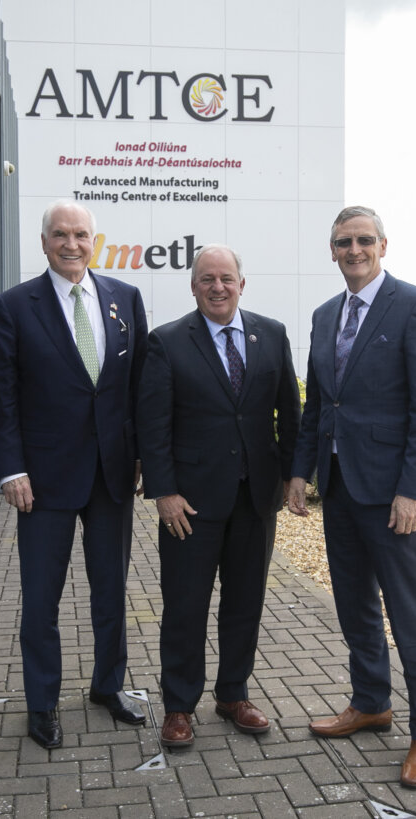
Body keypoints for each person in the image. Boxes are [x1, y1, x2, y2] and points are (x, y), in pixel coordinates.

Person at [287, 206, 416, 788]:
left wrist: (415, 489)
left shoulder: (415, 306)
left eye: (363, 240)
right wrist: (299, 471)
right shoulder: (324, 314)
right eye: (342, 242)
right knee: (354, 604)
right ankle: (371, 702)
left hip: (394, 495)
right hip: (339, 486)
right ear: (331, 250)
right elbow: (319, 403)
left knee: (411, 613)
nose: (353, 250)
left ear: (383, 245)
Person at [0, 200, 148, 749]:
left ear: (93, 241)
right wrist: (10, 469)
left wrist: (144, 455)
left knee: (111, 590)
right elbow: (2, 397)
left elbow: (137, 389)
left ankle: (107, 686)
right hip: (44, 480)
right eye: (61, 234)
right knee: (41, 598)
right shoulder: (13, 306)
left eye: (81, 234)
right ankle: (42, 702)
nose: (71, 244)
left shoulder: (125, 299)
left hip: (112, 475)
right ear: (44, 241)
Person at [138, 244, 300, 748]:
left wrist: (295, 476)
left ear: (241, 284)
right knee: (185, 607)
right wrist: (163, 491)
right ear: (193, 286)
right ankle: (179, 706)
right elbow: (153, 424)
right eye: (206, 279)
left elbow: (290, 415)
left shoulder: (271, 335)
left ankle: (233, 694)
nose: (217, 287)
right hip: (190, 503)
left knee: (244, 604)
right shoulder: (166, 342)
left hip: (256, 498)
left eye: (226, 278)